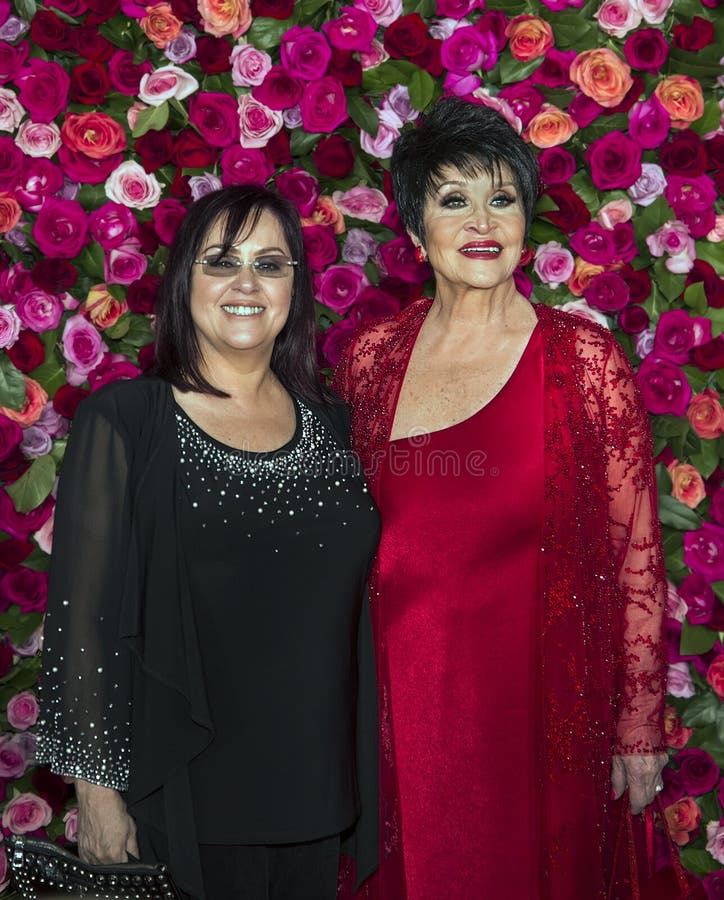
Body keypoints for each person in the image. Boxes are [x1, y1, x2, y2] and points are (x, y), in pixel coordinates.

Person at [333, 97, 667, 900]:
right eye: (453, 199)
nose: (482, 220)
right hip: (395, 722)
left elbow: (638, 557)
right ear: (415, 231)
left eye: (502, 197)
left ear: (525, 222)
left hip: (540, 723)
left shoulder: (582, 360)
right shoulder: (370, 359)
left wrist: (639, 726)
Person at [36, 185, 380, 900]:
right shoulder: (128, 421)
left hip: (318, 805)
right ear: (184, 280)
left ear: (295, 287)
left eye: (271, 263)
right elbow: (84, 625)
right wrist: (97, 798)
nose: (247, 284)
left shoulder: (338, 428)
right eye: (221, 262)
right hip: (183, 804)